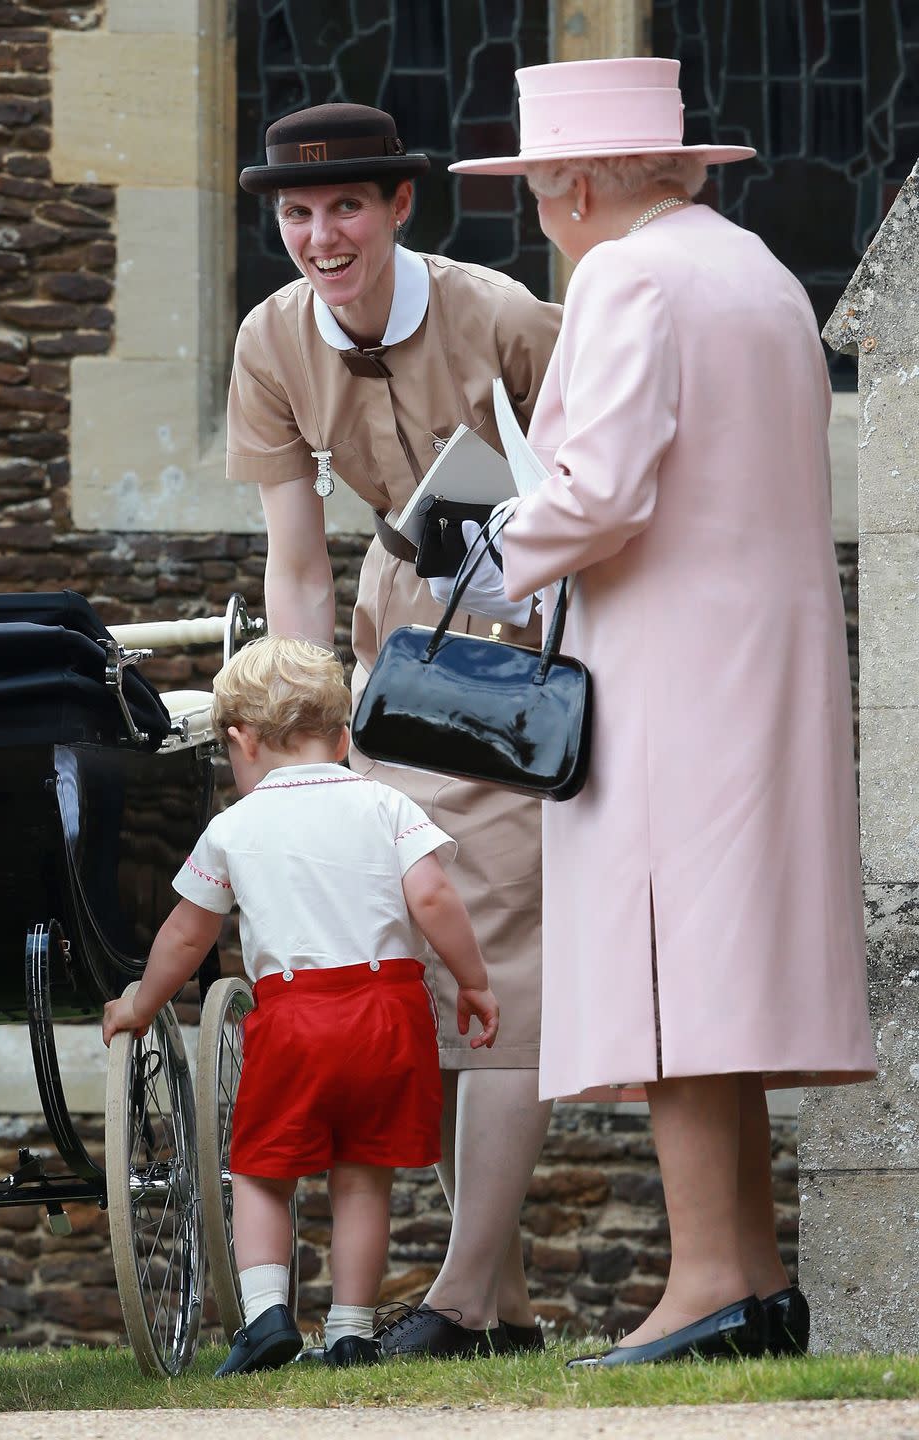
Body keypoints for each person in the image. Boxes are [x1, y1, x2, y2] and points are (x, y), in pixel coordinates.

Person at [442, 57, 877, 1366]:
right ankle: (749, 1278)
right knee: (719, 971)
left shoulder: (627, 276)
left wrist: (466, 541)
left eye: (537, 191)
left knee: (673, 975)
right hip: (766, 664)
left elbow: (600, 490)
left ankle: (701, 1286)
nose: (538, 218)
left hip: (674, 670)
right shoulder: (750, 270)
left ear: (577, 183)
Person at [227, 101, 563, 1357]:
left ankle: (467, 1298)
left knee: (502, 953)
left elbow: (612, 478)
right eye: (298, 214)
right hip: (390, 639)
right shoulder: (271, 338)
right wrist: (310, 726)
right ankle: (506, 1301)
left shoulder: (504, 315)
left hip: (526, 630)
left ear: (401, 205)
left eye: (347, 208)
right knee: (410, 950)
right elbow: (298, 560)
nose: (321, 235)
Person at [101, 636, 499, 1372]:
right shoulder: (384, 803)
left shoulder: (234, 827)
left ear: (240, 739)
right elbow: (435, 896)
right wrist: (472, 980)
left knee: (260, 1168)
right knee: (363, 1173)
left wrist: (138, 1003)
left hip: (295, 1015)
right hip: (389, 1009)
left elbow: (188, 935)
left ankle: (266, 1316)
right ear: (343, 737)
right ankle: (350, 1332)